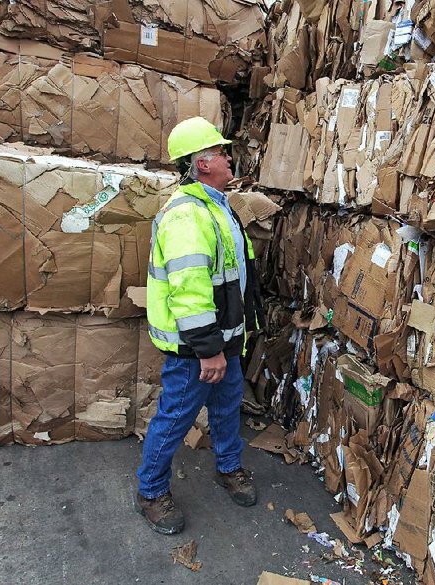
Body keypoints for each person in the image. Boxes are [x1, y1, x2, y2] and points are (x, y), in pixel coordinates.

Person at [135, 117, 263, 535]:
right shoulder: (187, 216)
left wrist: (230, 340)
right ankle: (150, 492)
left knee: (227, 409)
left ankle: (229, 467)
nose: (230, 158)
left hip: (225, 340)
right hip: (197, 348)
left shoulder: (215, 207)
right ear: (203, 163)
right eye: (222, 152)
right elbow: (189, 290)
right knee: (175, 418)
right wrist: (207, 349)